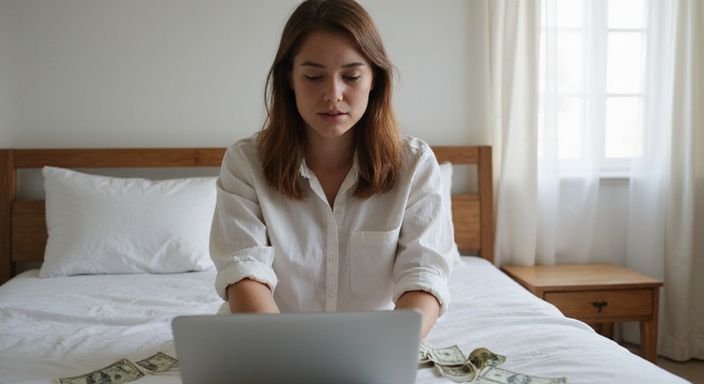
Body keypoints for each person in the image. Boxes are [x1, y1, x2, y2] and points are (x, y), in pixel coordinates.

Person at [210, 0, 455, 338]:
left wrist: (388, 347)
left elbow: (424, 276)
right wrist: (286, 356)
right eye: (313, 76)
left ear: (374, 81)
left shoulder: (414, 165)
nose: (333, 94)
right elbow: (244, 272)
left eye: (351, 76)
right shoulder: (246, 163)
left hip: (375, 343)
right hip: (266, 341)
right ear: (290, 79)